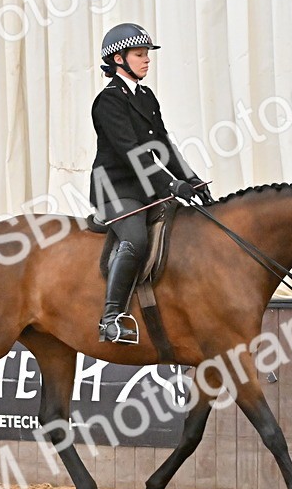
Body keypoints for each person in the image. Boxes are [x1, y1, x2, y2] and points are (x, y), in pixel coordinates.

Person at [88, 23, 211, 344]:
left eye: (147, 55)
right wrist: (171, 186)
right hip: (115, 188)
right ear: (118, 59)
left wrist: (191, 180)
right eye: (139, 55)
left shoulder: (145, 95)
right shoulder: (108, 102)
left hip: (146, 188)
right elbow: (132, 153)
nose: (146, 60)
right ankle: (111, 318)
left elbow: (163, 146)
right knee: (136, 240)